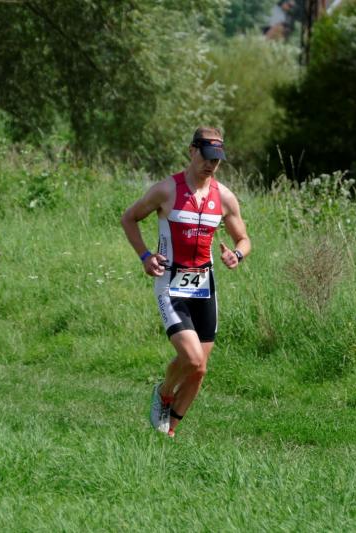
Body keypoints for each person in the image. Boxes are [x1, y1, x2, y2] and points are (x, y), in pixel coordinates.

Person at [120, 127, 251, 437]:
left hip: (204, 286)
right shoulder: (167, 190)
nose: (210, 165)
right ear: (192, 151)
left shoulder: (224, 197)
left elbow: (244, 239)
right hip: (171, 282)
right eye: (206, 157)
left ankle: (168, 435)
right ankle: (164, 392)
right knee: (191, 358)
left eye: (216, 161)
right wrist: (145, 256)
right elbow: (129, 218)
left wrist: (236, 255)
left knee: (199, 369)